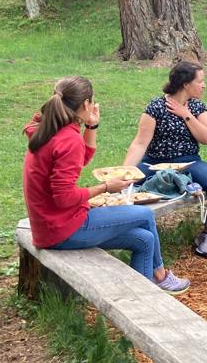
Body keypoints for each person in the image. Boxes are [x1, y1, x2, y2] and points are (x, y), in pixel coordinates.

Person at [23, 76, 189, 294]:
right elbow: (63, 197)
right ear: (86, 104)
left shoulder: (48, 127)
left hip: (49, 224)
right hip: (61, 228)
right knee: (145, 215)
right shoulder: (68, 139)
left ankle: (138, 300)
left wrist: (91, 126)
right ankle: (160, 276)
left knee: (145, 239)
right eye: (91, 101)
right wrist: (106, 187)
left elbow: (81, 159)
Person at [124, 61, 207, 259]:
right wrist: (124, 171)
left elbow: (206, 138)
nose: (204, 85)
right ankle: (125, 230)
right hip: (155, 162)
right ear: (185, 84)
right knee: (125, 185)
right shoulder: (156, 107)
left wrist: (186, 115)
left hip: (189, 162)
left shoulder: (197, 107)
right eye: (200, 81)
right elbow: (139, 143)